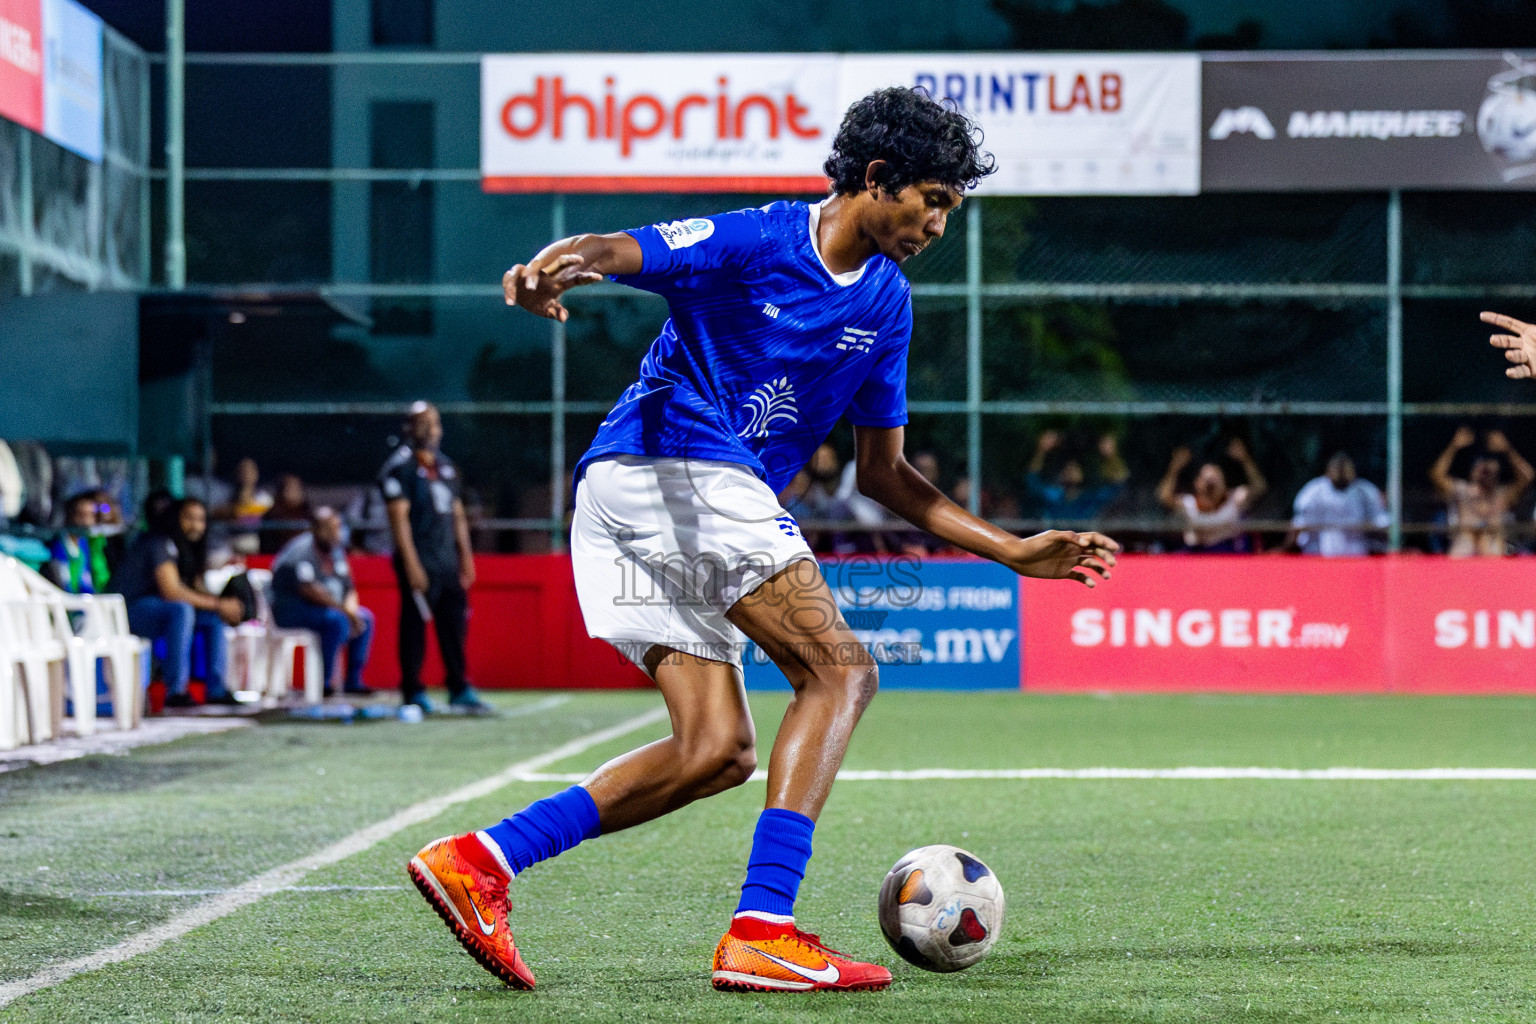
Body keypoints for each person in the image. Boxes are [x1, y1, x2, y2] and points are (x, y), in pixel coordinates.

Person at [405, 86, 1119, 995]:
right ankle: (763, 929)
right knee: (841, 670)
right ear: (875, 178)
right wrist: (559, 262)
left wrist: (1013, 549)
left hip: (645, 497)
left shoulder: (888, 305)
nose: (940, 224)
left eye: (952, 208)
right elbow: (623, 251)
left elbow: (886, 474)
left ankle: (481, 860)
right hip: (670, 465)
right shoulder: (761, 240)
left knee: (716, 750)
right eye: (932, 200)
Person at [378, 402, 489, 714]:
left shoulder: (446, 467)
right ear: (409, 428)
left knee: (454, 624)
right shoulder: (399, 468)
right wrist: (411, 563)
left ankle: (459, 687)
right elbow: (398, 519)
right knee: (415, 625)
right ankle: (413, 690)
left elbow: (457, 514)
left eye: (435, 423)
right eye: (423, 423)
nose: (431, 429)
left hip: (446, 559)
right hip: (419, 558)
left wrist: (466, 556)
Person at [110, 497, 243, 708]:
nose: (195, 525)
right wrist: (218, 604)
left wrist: (224, 605)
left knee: (211, 617)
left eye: (201, 519)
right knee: (182, 609)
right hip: (124, 613)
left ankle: (216, 688)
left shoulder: (188, 550)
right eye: (189, 518)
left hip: (158, 612)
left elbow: (197, 589)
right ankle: (176, 691)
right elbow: (172, 591)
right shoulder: (159, 543)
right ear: (175, 520)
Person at [269, 507, 374, 696]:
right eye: (329, 528)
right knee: (336, 621)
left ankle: (353, 681)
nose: (336, 533)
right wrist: (347, 613)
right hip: (290, 609)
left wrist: (351, 610)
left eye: (338, 527)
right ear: (316, 529)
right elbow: (309, 591)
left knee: (365, 618)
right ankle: (323, 682)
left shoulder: (335, 551)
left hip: (327, 609)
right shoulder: (300, 552)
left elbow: (349, 587)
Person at [1429, 426, 1534, 557]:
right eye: (1480, 467)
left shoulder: (1503, 495)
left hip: (1493, 557)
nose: (1484, 471)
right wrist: (1453, 446)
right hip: (1464, 554)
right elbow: (1436, 475)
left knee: (1489, 539)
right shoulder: (1462, 491)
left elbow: (1528, 476)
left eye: (1488, 469)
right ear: (1472, 471)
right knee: (1466, 539)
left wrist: (1507, 450)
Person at [1156, 438, 1268, 553]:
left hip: (1228, 552)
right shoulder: (1190, 504)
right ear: (1197, 483)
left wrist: (1245, 460)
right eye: (1207, 481)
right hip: (1198, 553)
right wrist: (1174, 468)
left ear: (1224, 483)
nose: (1211, 486)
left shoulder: (1235, 499)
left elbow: (1260, 487)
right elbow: (1164, 496)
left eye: (1215, 480)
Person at [1289, 452, 1389, 556]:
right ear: (1328, 471)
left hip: (1357, 552)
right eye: (1337, 469)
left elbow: (1382, 523)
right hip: (1321, 552)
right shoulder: (1313, 491)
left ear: (1353, 471)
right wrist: (1285, 549)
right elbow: (1299, 525)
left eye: (1346, 469)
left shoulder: (1366, 491)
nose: (1341, 473)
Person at [1025, 431, 1129, 520]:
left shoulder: (1090, 498)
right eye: (1066, 468)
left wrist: (1112, 456)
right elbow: (1032, 479)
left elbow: (1119, 482)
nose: (1069, 471)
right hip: (1055, 542)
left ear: (1083, 474)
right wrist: (1041, 450)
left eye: (1075, 468)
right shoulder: (1052, 497)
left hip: (1083, 542)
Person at [46, 491, 112, 594]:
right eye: (82, 516)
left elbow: (87, 580)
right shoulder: (60, 547)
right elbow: (63, 584)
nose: (87, 522)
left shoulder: (85, 543)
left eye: (91, 516)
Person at [261, 473, 312, 554]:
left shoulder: (308, 513)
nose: (295, 492)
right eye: (290, 488)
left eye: (297, 488)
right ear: (281, 491)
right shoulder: (272, 515)